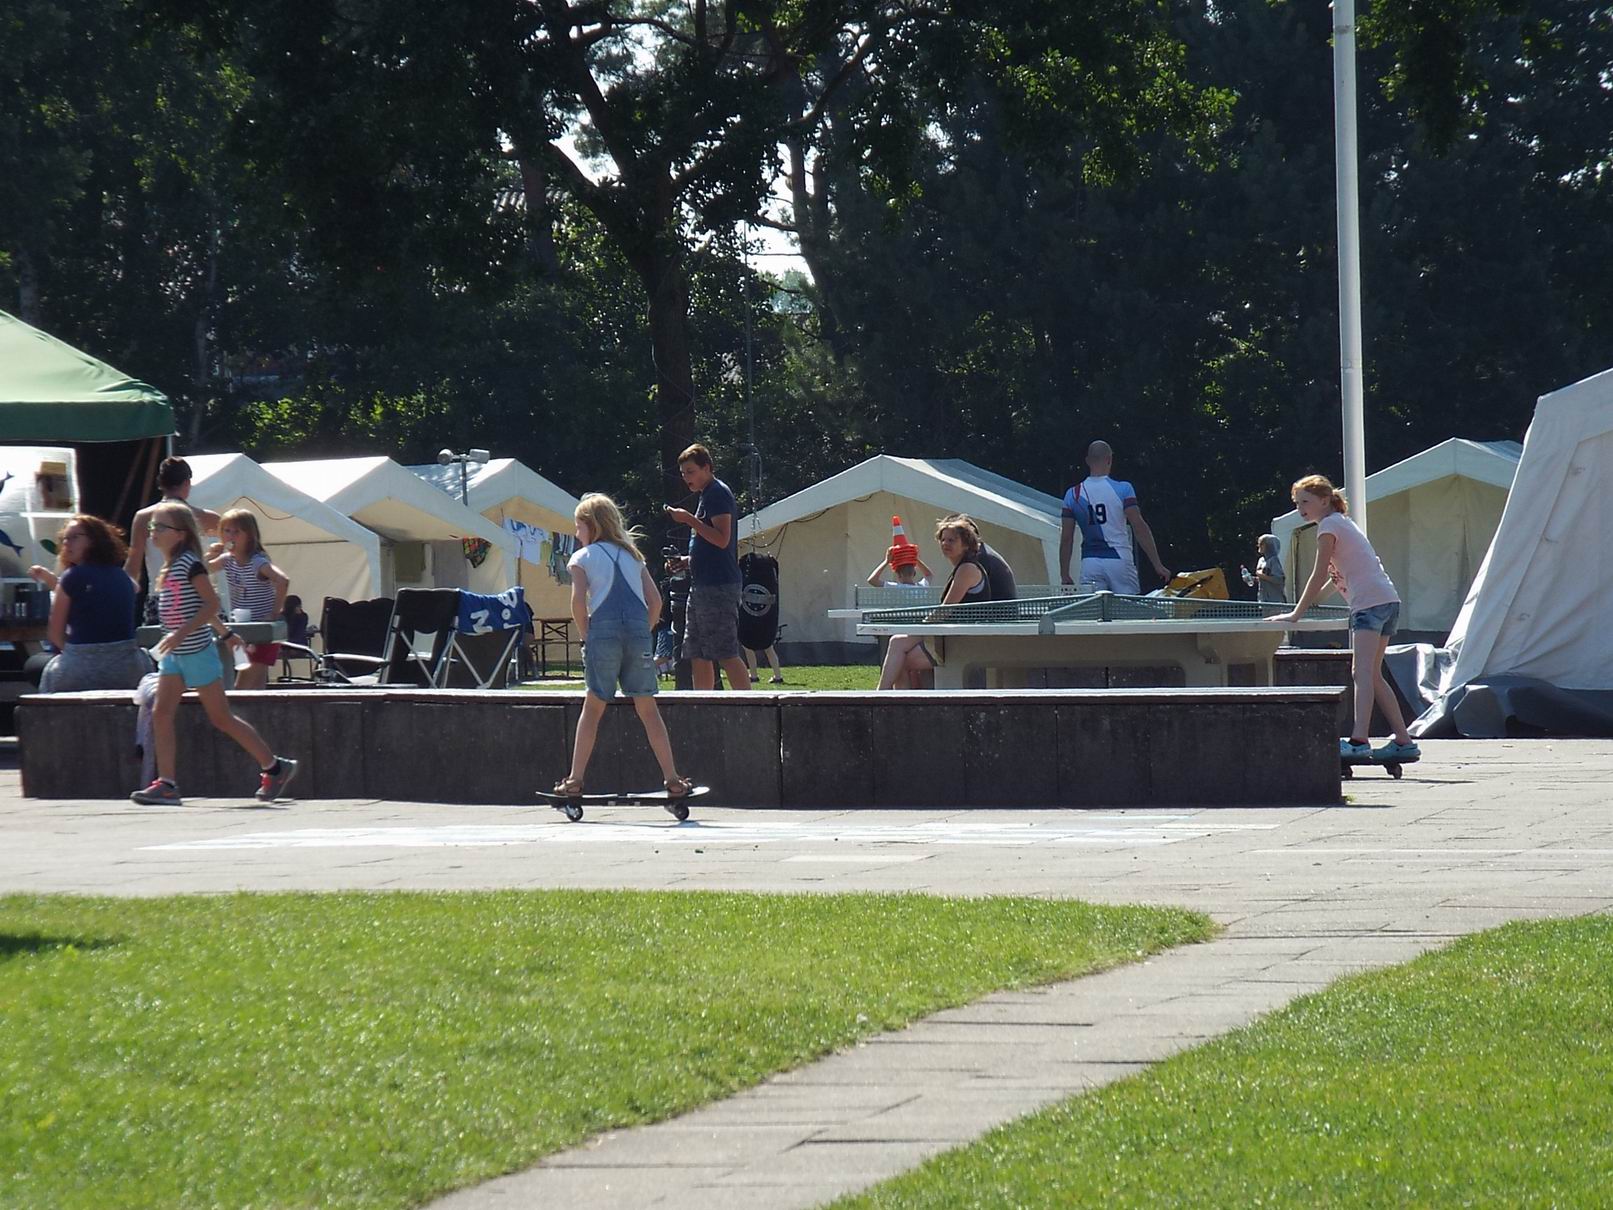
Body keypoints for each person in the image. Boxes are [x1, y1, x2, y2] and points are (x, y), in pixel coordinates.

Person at [130, 503, 299, 806]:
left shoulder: (190, 565)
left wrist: (185, 632)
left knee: (221, 718)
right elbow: (203, 609)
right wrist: (226, 634)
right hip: (175, 655)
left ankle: (274, 767)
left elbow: (210, 604)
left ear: (180, 534)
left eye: (160, 527)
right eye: (152, 527)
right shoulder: (171, 566)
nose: (153, 532)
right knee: (161, 713)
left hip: (196, 653)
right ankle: (167, 783)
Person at [1266, 475, 1419, 762]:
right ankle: (1404, 740)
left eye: (1305, 502)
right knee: (1373, 674)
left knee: (1361, 673)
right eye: (1297, 503)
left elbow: (1319, 573)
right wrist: (1312, 604)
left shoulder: (1328, 526)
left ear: (1325, 500)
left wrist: (1296, 613)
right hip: (1388, 600)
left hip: (1369, 605)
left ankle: (1359, 740)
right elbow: (1336, 578)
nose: (1301, 509)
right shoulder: (1343, 523)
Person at [555, 493, 693, 808]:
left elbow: (578, 602)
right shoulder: (633, 556)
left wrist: (587, 635)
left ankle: (575, 780)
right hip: (637, 634)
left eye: (578, 526)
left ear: (591, 526)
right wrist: (642, 631)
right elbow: (655, 602)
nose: (576, 533)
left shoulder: (582, 557)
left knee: (593, 707)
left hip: (602, 634)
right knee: (648, 708)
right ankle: (672, 779)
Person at [878, 514, 1016, 690]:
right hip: (954, 634)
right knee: (897, 645)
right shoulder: (962, 568)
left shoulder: (967, 569)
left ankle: (880, 698)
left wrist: (921, 625)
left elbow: (945, 610)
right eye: (943, 540)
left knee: (898, 651)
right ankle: (889, 699)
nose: (945, 544)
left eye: (952, 540)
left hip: (965, 640)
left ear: (966, 544)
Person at [663, 443, 751, 691]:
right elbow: (708, 545)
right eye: (683, 473)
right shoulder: (705, 495)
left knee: (725, 651)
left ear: (707, 468)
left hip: (719, 586)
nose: (686, 477)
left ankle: (751, 704)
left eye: (691, 471)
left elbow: (722, 539)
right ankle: (703, 704)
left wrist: (688, 519)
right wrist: (686, 561)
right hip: (701, 585)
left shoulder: (717, 493)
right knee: (697, 652)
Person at [27, 516, 149, 693]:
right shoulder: (123, 577)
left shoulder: (72, 576)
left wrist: (80, 654)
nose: (67, 543)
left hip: (80, 668)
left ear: (93, 540)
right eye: (65, 539)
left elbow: (55, 634)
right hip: (128, 667)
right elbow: (131, 588)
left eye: (74, 537)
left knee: (34, 664)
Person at [1059, 440, 1171, 593]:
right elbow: (1139, 527)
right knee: (1127, 607)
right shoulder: (1123, 489)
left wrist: (1064, 574)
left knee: (1093, 607)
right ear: (1109, 460)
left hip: (1090, 562)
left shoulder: (1072, 495)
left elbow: (1066, 539)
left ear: (1087, 461)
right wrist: (1157, 564)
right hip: (1120, 559)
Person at [124, 457, 222, 612]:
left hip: (162, 597)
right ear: (187, 483)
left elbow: (133, 566)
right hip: (199, 596)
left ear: (161, 483)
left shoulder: (143, 518)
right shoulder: (210, 519)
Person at [207, 509, 290, 690]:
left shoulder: (257, 561)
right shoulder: (227, 559)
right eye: (226, 531)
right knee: (254, 684)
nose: (230, 536)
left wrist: (274, 613)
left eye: (236, 532)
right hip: (242, 631)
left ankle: (241, 709)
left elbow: (282, 580)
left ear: (250, 535)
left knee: (244, 686)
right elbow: (199, 571)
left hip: (260, 632)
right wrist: (208, 557)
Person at [866, 549, 933, 588]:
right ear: (914, 573)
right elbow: (929, 574)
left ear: (899, 575)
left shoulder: (895, 588)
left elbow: (872, 580)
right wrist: (915, 559)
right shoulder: (922, 586)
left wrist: (886, 561)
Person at [1250, 533, 1287, 604]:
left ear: (1269, 545)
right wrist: (1253, 579)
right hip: (1263, 599)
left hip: (1275, 600)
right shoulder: (1261, 560)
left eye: (1262, 543)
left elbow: (1279, 580)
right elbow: (1263, 578)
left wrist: (1261, 575)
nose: (1259, 545)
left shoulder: (1274, 560)